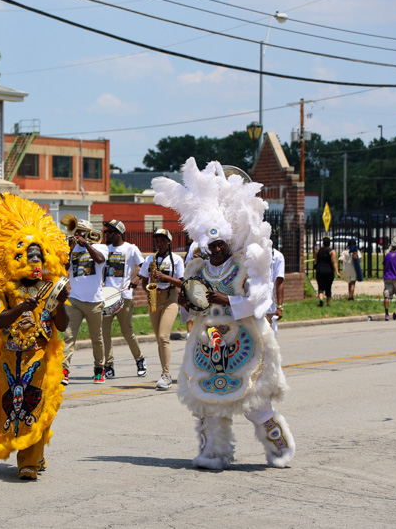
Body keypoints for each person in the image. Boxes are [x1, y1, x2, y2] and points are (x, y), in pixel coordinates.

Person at [153, 157, 295, 470]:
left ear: (228, 241)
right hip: (210, 340)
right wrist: (187, 302)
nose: (216, 249)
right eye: (211, 244)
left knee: (254, 402)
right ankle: (214, 454)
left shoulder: (245, 265)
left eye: (220, 244)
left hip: (246, 339)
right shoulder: (197, 268)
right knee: (209, 404)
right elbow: (192, 308)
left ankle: (279, 447)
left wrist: (228, 300)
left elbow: (261, 299)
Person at [0, 192, 70, 480]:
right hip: (11, 357)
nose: (34, 261)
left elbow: (62, 325)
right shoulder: (5, 289)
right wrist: (22, 307)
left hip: (40, 355)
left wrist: (60, 302)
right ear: (17, 257)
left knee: (37, 403)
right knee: (16, 406)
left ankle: (29, 462)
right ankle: (34, 454)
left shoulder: (52, 287)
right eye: (28, 256)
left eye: (39, 255)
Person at [63, 220, 109, 384]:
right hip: (74, 299)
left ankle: (99, 369)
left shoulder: (100, 247)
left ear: (89, 233)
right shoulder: (73, 248)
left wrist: (87, 245)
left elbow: (99, 260)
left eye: (82, 232)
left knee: (96, 338)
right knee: (68, 337)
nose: (78, 235)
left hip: (94, 301)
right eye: (77, 231)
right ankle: (64, 371)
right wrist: (69, 249)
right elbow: (64, 268)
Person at [139, 228, 184, 391]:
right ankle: (164, 372)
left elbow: (181, 282)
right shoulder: (150, 259)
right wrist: (148, 290)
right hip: (154, 298)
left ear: (169, 242)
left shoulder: (177, 260)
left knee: (164, 336)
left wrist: (165, 277)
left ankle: (166, 374)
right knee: (159, 338)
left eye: (162, 240)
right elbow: (143, 280)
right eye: (157, 240)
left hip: (170, 296)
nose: (159, 243)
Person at [101, 219, 147, 379]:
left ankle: (140, 359)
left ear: (118, 233)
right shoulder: (106, 250)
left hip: (124, 296)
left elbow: (145, 264)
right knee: (104, 332)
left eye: (109, 232)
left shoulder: (131, 249)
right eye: (106, 231)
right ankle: (108, 365)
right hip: (107, 297)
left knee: (127, 331)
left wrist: (138, 277)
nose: (106, 234)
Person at [315, 237, 340, 307]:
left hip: (320, 270)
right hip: (329, 271)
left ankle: (321, 299)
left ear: (323, 243)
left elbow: (316, 260)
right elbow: (334, 262)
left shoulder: (318, 250)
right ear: (329, 243)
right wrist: (337, 272)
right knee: (328, 287)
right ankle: (328, 303)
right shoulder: (332, 251)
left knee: (320, 287)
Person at [266, 247, 285, 337]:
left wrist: (279, 306)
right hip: (250, 306)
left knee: (266, 340)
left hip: (268, 307)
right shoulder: (251, 252)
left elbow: (279, 281)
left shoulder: (277, 256)